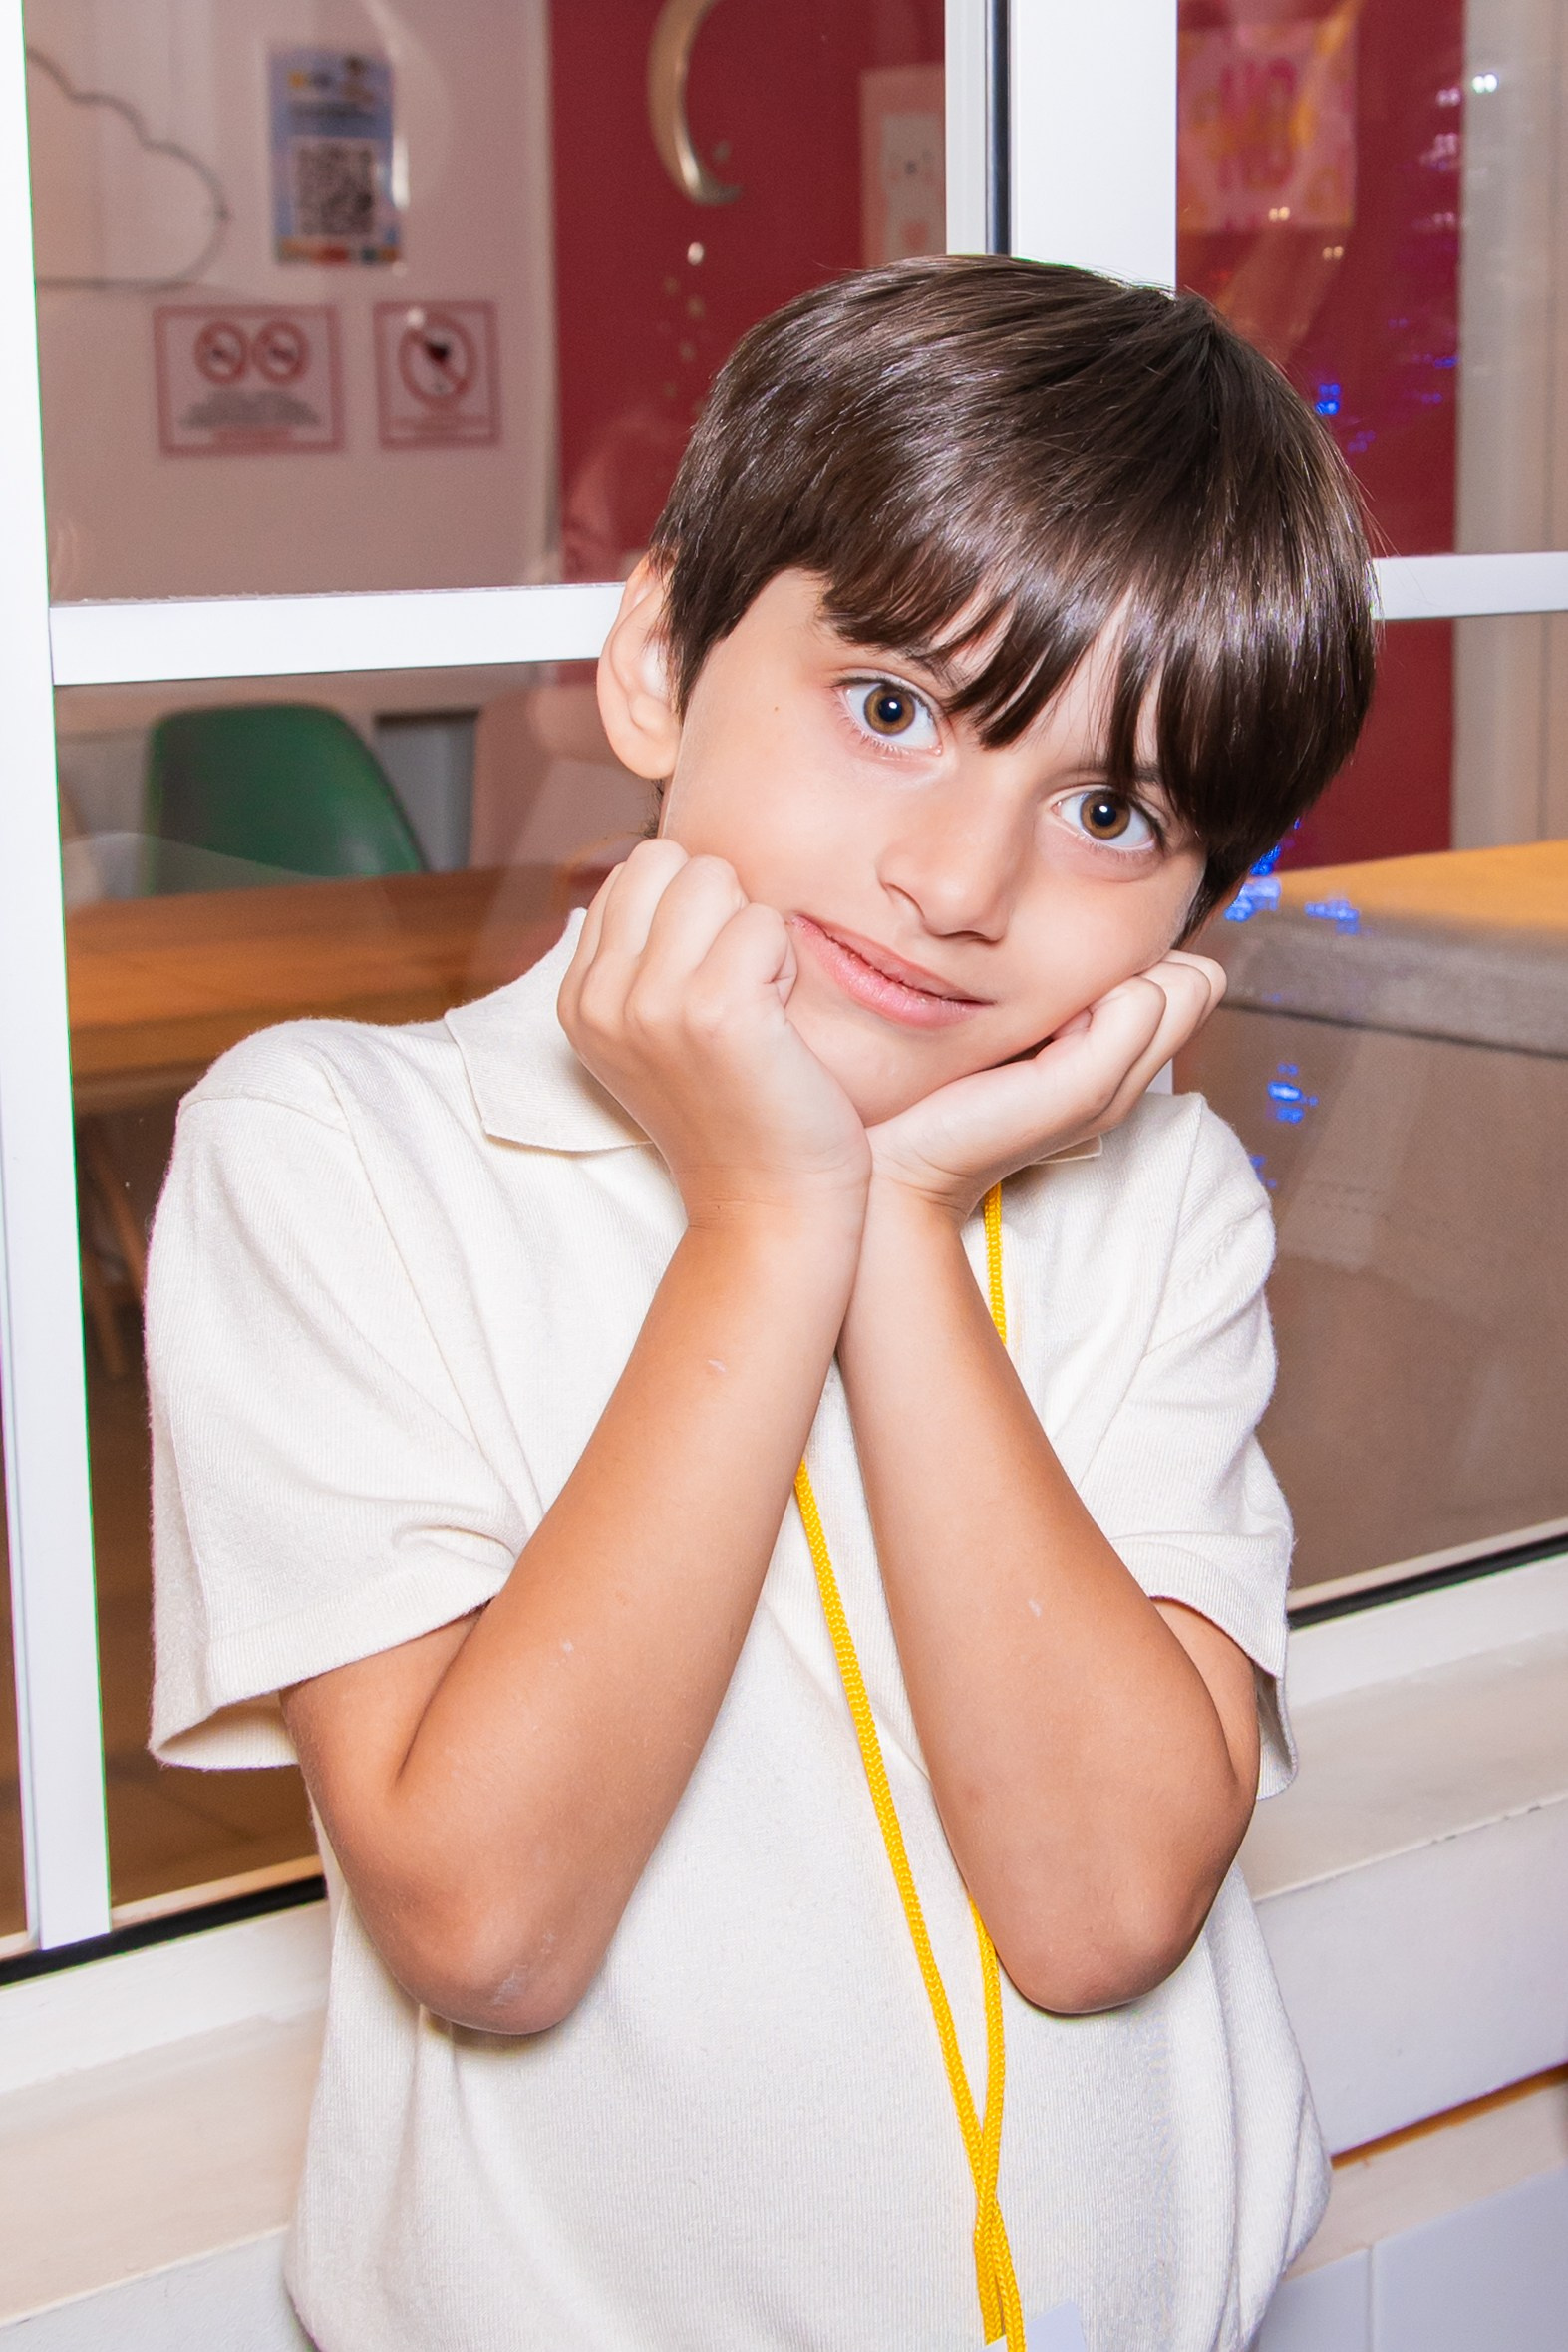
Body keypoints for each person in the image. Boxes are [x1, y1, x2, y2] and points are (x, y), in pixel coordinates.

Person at [148, 257, 1375, 2352]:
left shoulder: (1154, 1193)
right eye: (892, 709)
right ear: (658, 664)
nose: (959, 886)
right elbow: (488, 1926)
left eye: (1106, 810)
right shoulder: (338, 1153)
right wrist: (767, 1215)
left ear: (1198, 898)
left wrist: (899, 1218)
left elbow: (1100, 1911)